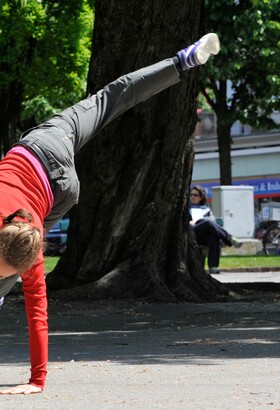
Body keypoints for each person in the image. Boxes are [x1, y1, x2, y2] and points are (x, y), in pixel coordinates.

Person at [0, 33, 220, 395]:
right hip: (58, 173)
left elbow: (38, 310)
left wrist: (38, 380)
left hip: (54, 186)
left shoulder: (30, 249)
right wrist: (35, 380)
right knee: (110, 98)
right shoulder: (31, 247)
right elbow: (36, 309)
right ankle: (183, 61)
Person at [189, 185, 243, 274]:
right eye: (191, 195)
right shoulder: (186, 208)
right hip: (192, 233)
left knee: (213, 236)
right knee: (208, 223)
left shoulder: (206, 209)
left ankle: (213, 267)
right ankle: (230, 238)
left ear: (201, 197)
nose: (192, 197)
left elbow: (212, 221)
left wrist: (203, 220)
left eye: (195, 195)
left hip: (204, 235)